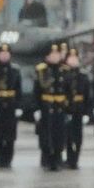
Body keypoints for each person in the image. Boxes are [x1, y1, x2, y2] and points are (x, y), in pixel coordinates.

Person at [35, 41, 67, 171]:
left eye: (57, 54)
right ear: (47, 56)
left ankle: (57, 160)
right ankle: (46, 159)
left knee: (59, 135)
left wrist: (68, 108)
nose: (55, 57)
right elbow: (37, 90)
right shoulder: (42, 70)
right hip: (46, 106)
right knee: (46, 135)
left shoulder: (64, 70)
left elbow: (68, 91)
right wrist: (37, 108)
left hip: (60, 107)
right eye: (52, 54)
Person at [0, 42, 22, 167]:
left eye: (6, 53)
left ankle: (8, 158)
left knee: (10, 134)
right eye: (2, 53)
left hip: (11, 104)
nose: (4, 56)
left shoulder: (15, 70)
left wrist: (19, 106)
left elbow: (18, 90)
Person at [63, 47, 91, 169]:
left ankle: (75, 159)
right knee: (66, 135)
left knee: (77, 135)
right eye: (71, 58)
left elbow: (87, 96)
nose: (73, 60)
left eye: (75, 58)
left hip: (79, 108)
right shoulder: (63, 74)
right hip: (66, 107)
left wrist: (87, 112)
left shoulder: (83, 75)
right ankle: (67, 158)